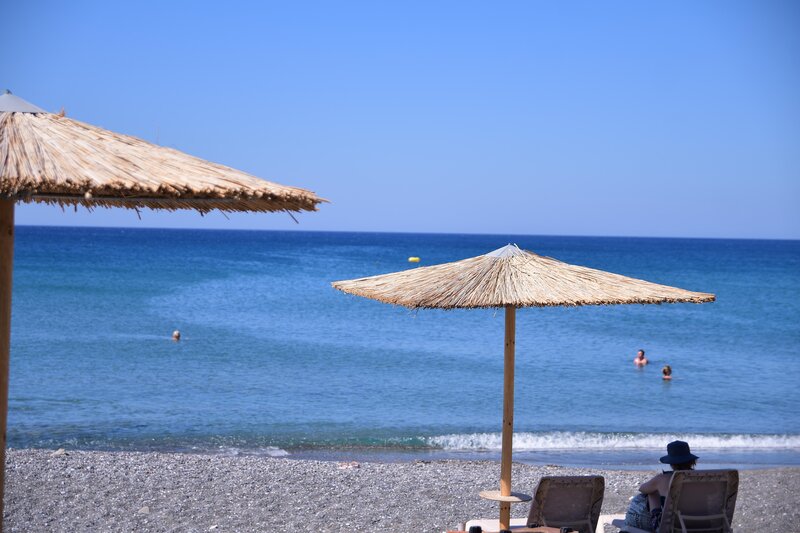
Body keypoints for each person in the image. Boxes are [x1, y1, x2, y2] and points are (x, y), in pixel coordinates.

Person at [624, 440, 699, 531]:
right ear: (691, 460)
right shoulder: (703, 479)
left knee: (652, 492)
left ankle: (655, 522)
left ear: (671, 463)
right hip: (702, 522)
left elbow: (642, 489)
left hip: (673, 526)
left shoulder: (663, 479)